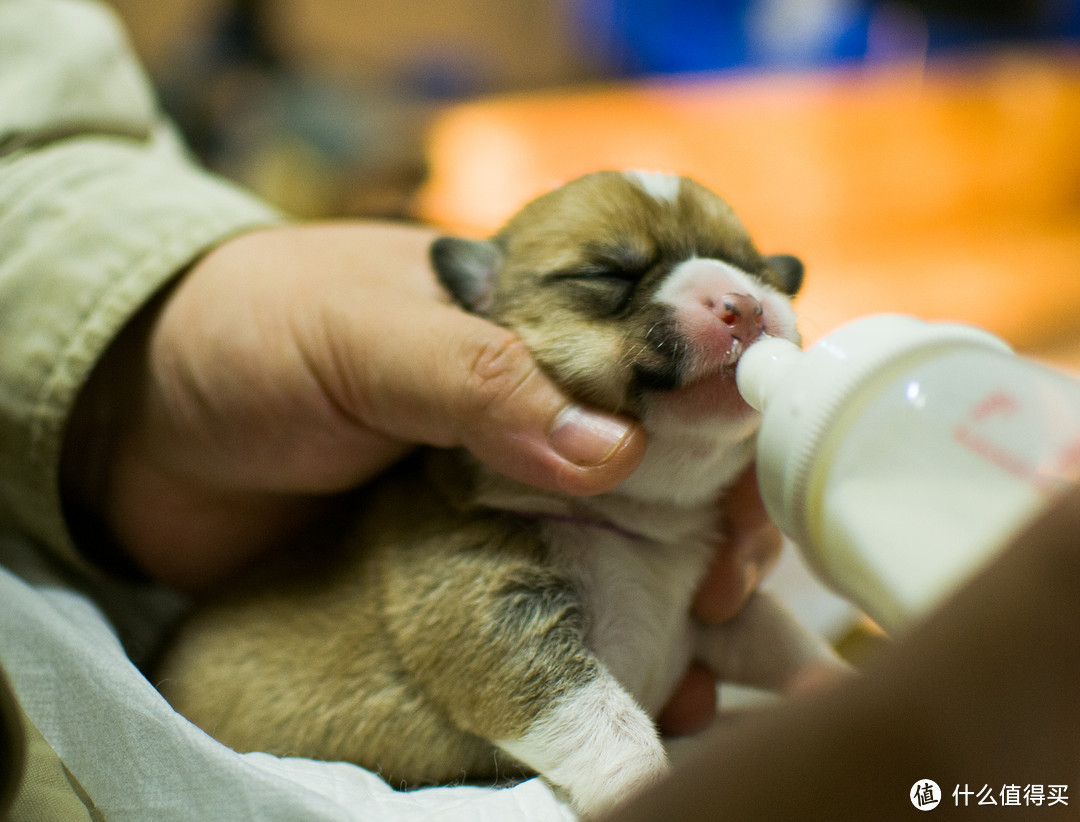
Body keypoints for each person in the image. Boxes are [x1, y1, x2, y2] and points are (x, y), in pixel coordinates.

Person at [0, 1, 781, 816]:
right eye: (613, 283)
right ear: (481, 305)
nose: (733, 303)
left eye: (751, 270)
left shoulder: (682, 509)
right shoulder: (481, 522)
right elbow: (509, 658)